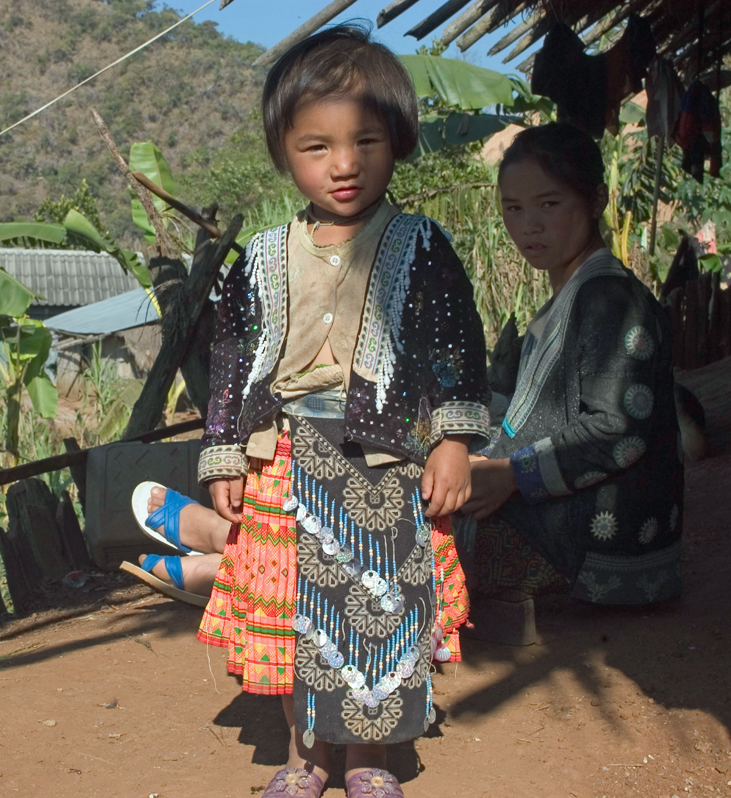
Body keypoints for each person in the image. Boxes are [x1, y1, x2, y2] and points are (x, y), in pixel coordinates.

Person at [196, 26, 491, 797]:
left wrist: (453, 440)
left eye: (365, 140)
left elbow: (453, 348)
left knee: (373, 613)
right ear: (283, 153)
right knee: (298, 618)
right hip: (285, 461)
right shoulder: (262, 256)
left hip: (384, 461)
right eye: (316, 146)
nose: (345, 164)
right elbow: (232, 358)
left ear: (397, 139)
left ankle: (370, 760)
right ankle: (308, 761)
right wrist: (225, 453)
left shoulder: (422, 246)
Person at [460, 123, 683, 618]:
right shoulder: (570, 295)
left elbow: (619, 431)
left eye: (549, 204)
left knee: (419, 518)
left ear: (597, 199)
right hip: (564, 509)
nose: (529, 226)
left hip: (598, 540)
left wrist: (510, 476)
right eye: (513, 209)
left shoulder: (608, 299)